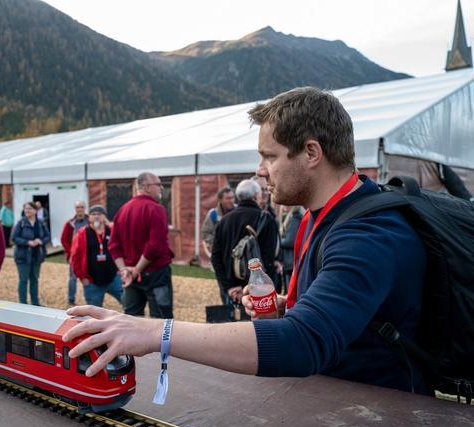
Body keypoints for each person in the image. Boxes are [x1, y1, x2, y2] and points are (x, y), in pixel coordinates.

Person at [62, 87, 427, 397]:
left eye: (269, 156)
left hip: (382, 414)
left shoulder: (367, 232)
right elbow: (346, 315)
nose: (259, 169)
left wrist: (156, 330)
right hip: (340, 401)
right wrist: (288, 307)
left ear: (312, 153)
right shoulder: (327, 214)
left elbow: (304, 343)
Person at [109, 172, 174, 318]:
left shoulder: (123, 210)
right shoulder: (156, 209)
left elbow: (113, 246)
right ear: (146, 187)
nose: (161, 188)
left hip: (131, 275)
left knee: (131, 319)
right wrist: (135, 270)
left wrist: (125, 270)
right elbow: (154, 246)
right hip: (155, 273)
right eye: (158, 184)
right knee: (162, 321)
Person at [210, 180, 277, 305]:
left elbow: (215, 258)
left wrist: (228, 287)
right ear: (256, 195)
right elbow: (268, 258)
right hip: (259, 292)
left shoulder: (224, 221)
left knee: (231, 324)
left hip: (232, 292)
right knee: (259, 325)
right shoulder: (266, 219)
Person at [70, 205, 123, 308]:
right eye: (93, 214)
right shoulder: (82, 233)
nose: (96, 216)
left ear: (105, 217)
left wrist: (121, 269)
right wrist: (82, 277)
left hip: (114, 278)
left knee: (128, 303)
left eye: (99, 214)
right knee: (94, 313)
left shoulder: (112, 231)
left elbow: (122, 249)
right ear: (89, 217)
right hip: (92, 281)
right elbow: (75, 256)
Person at [12, 201, 50, 305]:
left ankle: (35, 303)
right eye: (26, 209)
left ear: (35, 210)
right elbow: (14, 238)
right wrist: (27, 242)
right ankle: (23, 303)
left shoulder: (41, 223)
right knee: (23, 280)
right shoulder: (21, 223)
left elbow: (47, 236)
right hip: (23, 257)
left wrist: (40, 241)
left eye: (29, 208)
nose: (27, 211)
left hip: (37, 256)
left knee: (34, 280)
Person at [61, 201, 89, 306]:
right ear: (75, 209)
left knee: (88, 277)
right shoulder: (70, 223)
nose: (80, 209)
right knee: (73, 278)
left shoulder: (89, 221)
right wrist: (70, 252)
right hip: (74, 256)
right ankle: (71, 299)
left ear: (85, 208)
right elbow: (64, 239)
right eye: (78, 207)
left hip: (87, 255)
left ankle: (89, 298)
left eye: (82, 207)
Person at [200, 186, 236, 259]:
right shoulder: (213, 214)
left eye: (232, 197)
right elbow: (205, 233)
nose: (231, 201)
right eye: (228, 198)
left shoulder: (239, 212)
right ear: (220, 200)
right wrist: (216, 244)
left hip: (237, 252)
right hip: (220, 253)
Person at [277, 205, 303, 292]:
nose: (284, 207)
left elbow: (290, 241)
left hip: (290, 260)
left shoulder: (295, 219)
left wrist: (277, 240)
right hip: (292, 259)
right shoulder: (295, 217)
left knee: (291, 290)